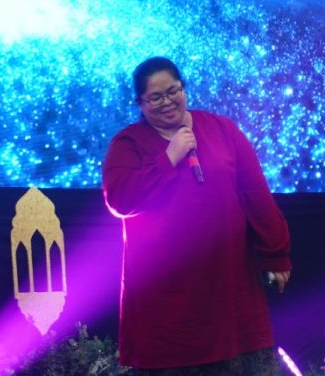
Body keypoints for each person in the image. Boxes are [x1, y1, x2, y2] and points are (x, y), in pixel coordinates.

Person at [102, 56, 292, 375]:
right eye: (155, 97)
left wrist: (276, 254)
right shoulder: (128, 143)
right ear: (139, 103)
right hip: (164, 297)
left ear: (183, 88)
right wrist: (169, 158)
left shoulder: (222, 130)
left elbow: (255, 193)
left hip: (228, 285)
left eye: (173, 91)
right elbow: (120, 201)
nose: (167, 102)